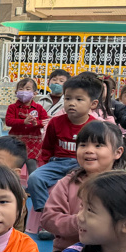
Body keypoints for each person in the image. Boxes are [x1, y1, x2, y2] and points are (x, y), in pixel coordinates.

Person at [42, 121, 126, 252]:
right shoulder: (67, 183)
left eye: (98, 145)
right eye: (83, 145)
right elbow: (49, 218)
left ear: (118, 152)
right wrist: (83, 222)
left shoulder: (125, 186)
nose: (88, 150)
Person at [27, 74, 102, 215]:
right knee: (34, 178)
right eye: (67, 98)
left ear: (93, 104)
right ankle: (46, 212)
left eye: (79, 99)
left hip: (81, 165)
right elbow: (47, 148)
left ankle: (85, 212)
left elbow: (99, 152)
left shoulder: (95, 126)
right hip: (57, 163)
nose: (72, 103)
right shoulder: (55, 122)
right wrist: (44, 166)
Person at [5, 77, 49, 176]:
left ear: (35, 93)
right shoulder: (12, 107)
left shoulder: (39, 108)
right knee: (13, 165)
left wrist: (37, 123)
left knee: (32, 165)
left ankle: (32, 184)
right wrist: (23, 122)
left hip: (33, 143)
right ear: (16, 92)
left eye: (28, 89)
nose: (24, 92)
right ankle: (11, 182)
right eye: (21, 89)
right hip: (16, 141)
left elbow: (45, 121)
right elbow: (8, 121)